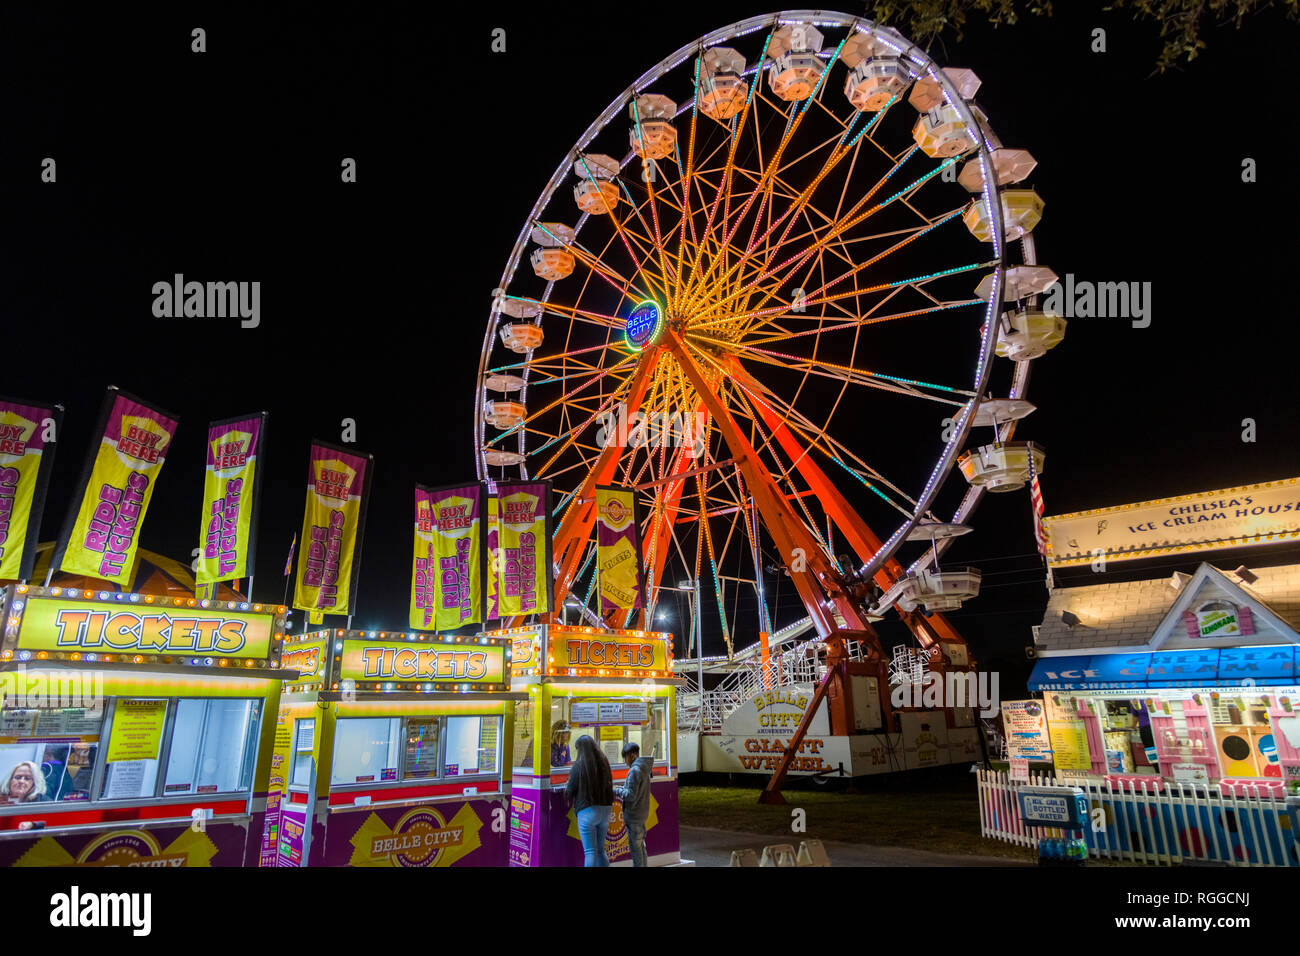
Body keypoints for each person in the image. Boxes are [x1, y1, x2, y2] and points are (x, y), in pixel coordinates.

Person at [565, 734, 614, 867]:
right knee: (600, 850)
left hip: (587, 811)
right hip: (605, 810)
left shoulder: (579, 766)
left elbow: (569, 791)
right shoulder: (604, 763)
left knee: (590, 851)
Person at [617, 742, 653, 867]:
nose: (625, 761)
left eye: (625, 757)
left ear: (632, 756)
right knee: (641, 849)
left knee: (636, 852)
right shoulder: (644, 769)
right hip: (641, 815)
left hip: (634, 817)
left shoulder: (634, 771)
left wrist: (617, 790)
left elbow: (631, 795)